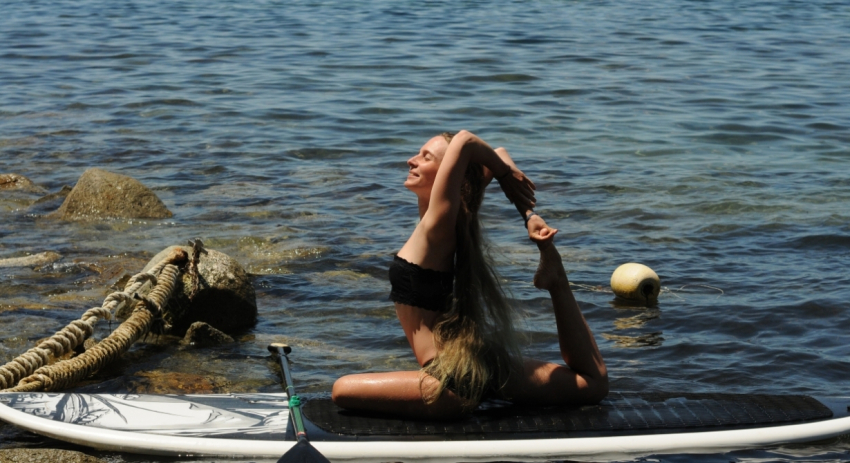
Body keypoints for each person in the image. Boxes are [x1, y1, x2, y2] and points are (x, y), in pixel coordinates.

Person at [332, 130, 608, 419]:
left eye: (426, 157)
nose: (411, 160)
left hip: (449, 379)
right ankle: (557, 282)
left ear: (450, 174)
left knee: (341, 389)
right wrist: (527, 212)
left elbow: (465, 140)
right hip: (476, 361)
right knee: (592, 384)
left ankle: (458, 399)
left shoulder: (440, 222)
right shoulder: (453, 215)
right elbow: (499, 154)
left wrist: (504, 174)